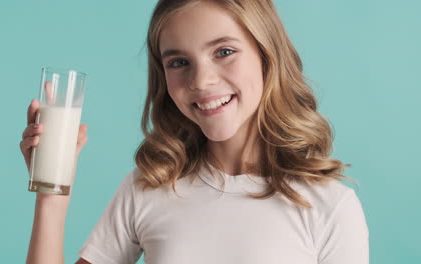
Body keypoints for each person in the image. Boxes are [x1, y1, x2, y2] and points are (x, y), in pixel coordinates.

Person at [20, 0, 369, 263]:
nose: (201, 81)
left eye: (225, 52)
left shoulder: (330, 206)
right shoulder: (148, 187)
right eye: (179, 62)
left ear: (267, 55)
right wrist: (51, 195)